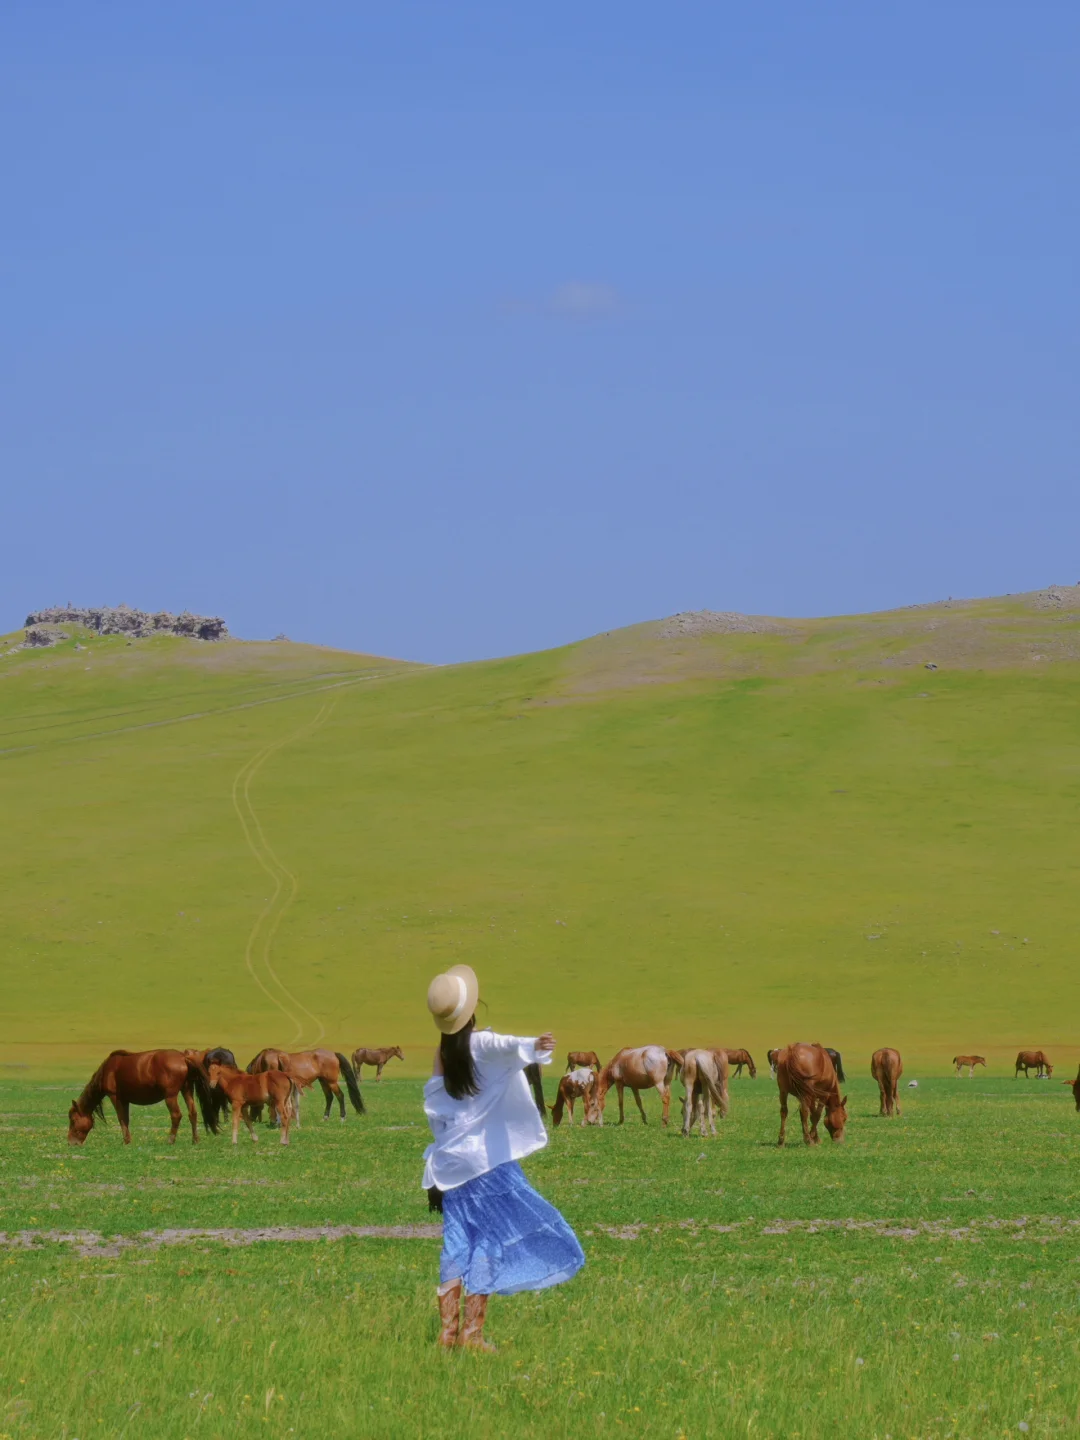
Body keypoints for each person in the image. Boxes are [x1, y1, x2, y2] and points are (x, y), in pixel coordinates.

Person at [422, 962, 585, 1351]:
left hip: (452, 1167)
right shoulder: (479, 1043)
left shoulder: (443, 1054)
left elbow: (437, 1112)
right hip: (489, 1165)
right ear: (472, 1009)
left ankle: (447, 1337)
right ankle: (473, 1336)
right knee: (491, 1240)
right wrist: (533, 1046)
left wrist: (438, 1166)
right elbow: (504, 1045)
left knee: (456, 1242)